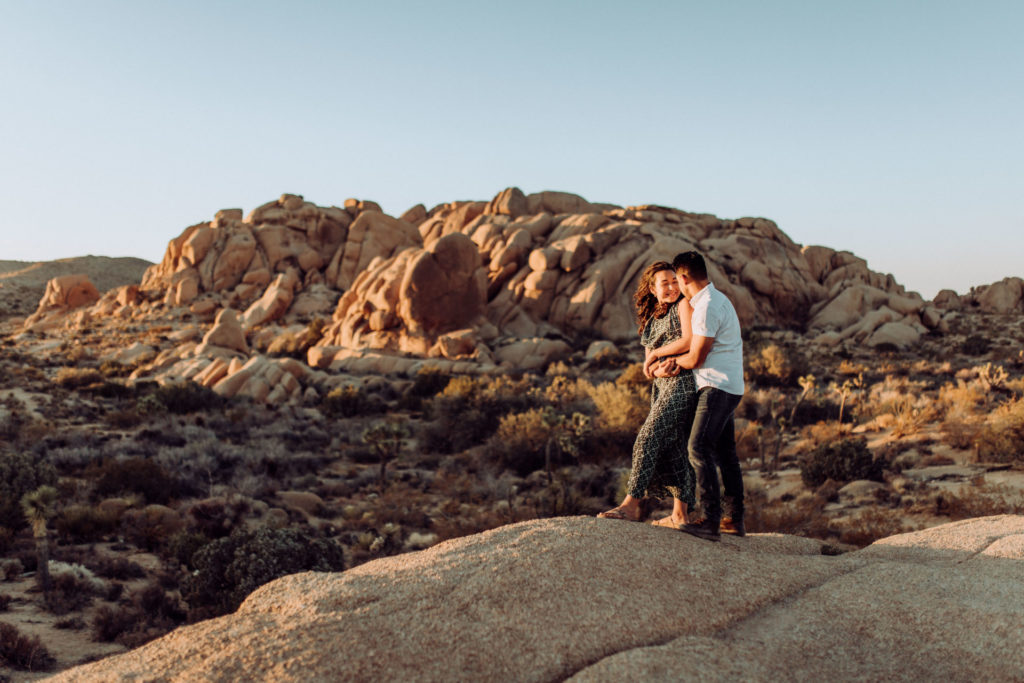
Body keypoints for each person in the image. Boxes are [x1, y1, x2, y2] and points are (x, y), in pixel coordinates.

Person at [597, 261, 698, 526]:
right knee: (675, 448)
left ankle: (631, 505)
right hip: (662, 387)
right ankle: (680, 515)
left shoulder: (683, 306)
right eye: (664, 283)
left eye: (675, 281)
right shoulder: (652, 321)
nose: (671, 287)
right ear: (652, 289)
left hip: (684, 384)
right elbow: (648, 370)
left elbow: (688, 340)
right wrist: (658, 368)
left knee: (647, 437)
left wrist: (656, 354)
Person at [660, 251, 746, 541]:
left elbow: (696, 356)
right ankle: (733, 520)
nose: (676, 287)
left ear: (683, 278)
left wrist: (671, 363)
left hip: (716, 386)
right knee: (726, 455)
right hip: (729, 385)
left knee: (697, 448)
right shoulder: (718, 299)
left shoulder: (707, 306)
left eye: (677, 280)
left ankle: (710, 522)